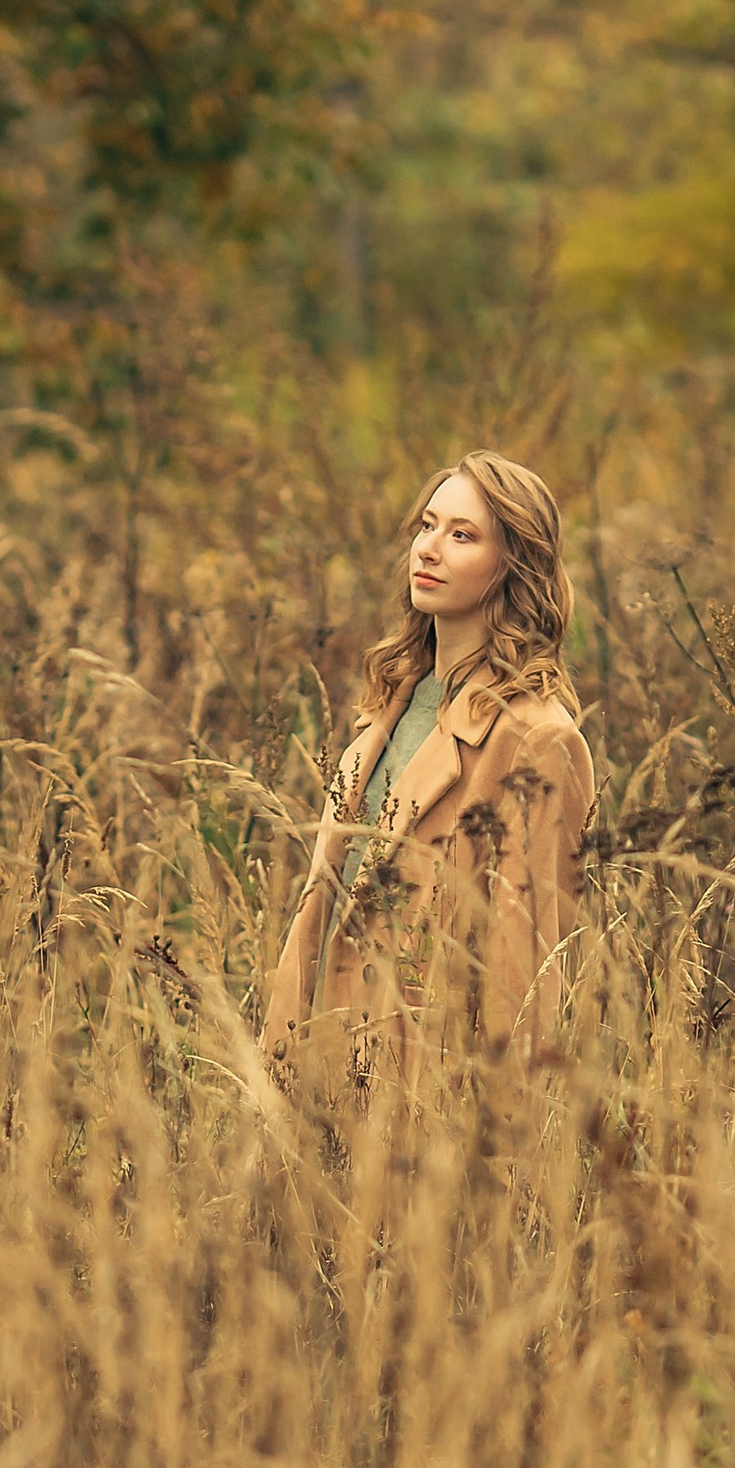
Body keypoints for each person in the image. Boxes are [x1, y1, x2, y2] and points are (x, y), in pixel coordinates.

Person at [260, 450, 596, 1081]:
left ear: (513, 567)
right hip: (312, 1069)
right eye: (427, 525)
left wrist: (492, 1145)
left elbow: (524, 968)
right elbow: (328, 910)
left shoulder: (535, 738)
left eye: (462, 535)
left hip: (416, 1096)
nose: (429, 548)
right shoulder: (392, 702)